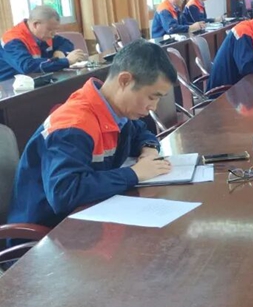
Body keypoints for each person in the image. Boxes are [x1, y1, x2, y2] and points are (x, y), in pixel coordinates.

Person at [7, 40, 176, 229]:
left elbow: (140, 132)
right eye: (152, 97)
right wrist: (134, 174)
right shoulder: (74, 126)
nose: (153, 107)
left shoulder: (117, 111)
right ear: (124, 81)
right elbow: (64, 193)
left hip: (88, 216)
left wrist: (149, 149)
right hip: (48, 230)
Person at [0, 5, 87, 80]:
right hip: (8, 86)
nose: (53, 34)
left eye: (55, 30)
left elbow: (66, 43)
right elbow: (28, 67)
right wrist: (66, 61)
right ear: (36, 24)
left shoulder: (43, 34)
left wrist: (60, 52)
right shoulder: (12, 40)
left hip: (35, 81)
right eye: (50, 29)